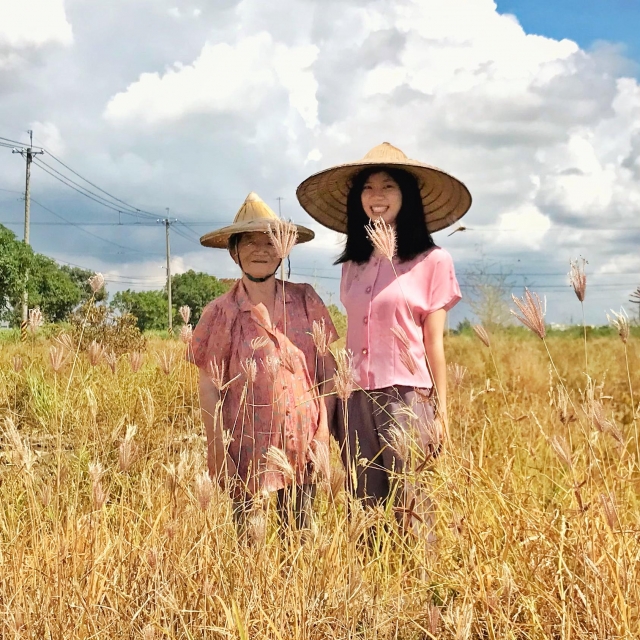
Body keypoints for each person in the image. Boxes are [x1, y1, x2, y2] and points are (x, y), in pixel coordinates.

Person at [296, 142, 471, 537]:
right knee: (364, 508)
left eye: (388, 186)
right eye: (367, 188)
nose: (377, 196)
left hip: (408, 396)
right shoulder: (352, 266)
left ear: (406, 197)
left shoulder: (433, 260)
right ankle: (373, 594)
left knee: (413, 505)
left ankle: (422, 589)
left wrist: (442, 413)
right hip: (355, 396)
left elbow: (434, 344)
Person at [190, 192, 337, 533]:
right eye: (250, 242)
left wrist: (323, 436)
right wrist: (217, 453)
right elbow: (209, 386)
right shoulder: (220, 312)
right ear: (234, 251)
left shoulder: (306, 301)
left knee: (301, 539)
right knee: (248, 545)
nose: (261, 250)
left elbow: (327, 376)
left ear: (284, 248)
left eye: (270, 241)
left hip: (303, 445)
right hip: (245, 451)